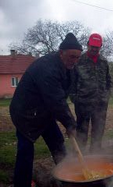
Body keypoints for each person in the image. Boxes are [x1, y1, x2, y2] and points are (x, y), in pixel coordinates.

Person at [9, 33, 82, 187]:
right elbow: (56, 100)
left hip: (45, 112)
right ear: (61, 52)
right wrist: (70, 124)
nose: (74, 61)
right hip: (25, 113)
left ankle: (68, 178)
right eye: (71, 57)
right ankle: (21, 183)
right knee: (26, 151)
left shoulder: (70, 67)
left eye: (77, 57)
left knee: (57, 143)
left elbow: (68, 91)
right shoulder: (47, 68)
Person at [70, 33, 112, 153]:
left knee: (98, 132)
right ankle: (80, 159)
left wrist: (106, 95)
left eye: (97, 47)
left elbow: (108, 79)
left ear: (101, 46)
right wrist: (75, 98)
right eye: (92, 46)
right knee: (82, 133)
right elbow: (72, 81)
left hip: (100, 105)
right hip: (83, 104)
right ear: (88, 45)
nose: (94, 49)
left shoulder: (104, 61)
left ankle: (96, 157)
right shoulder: (79, 61)